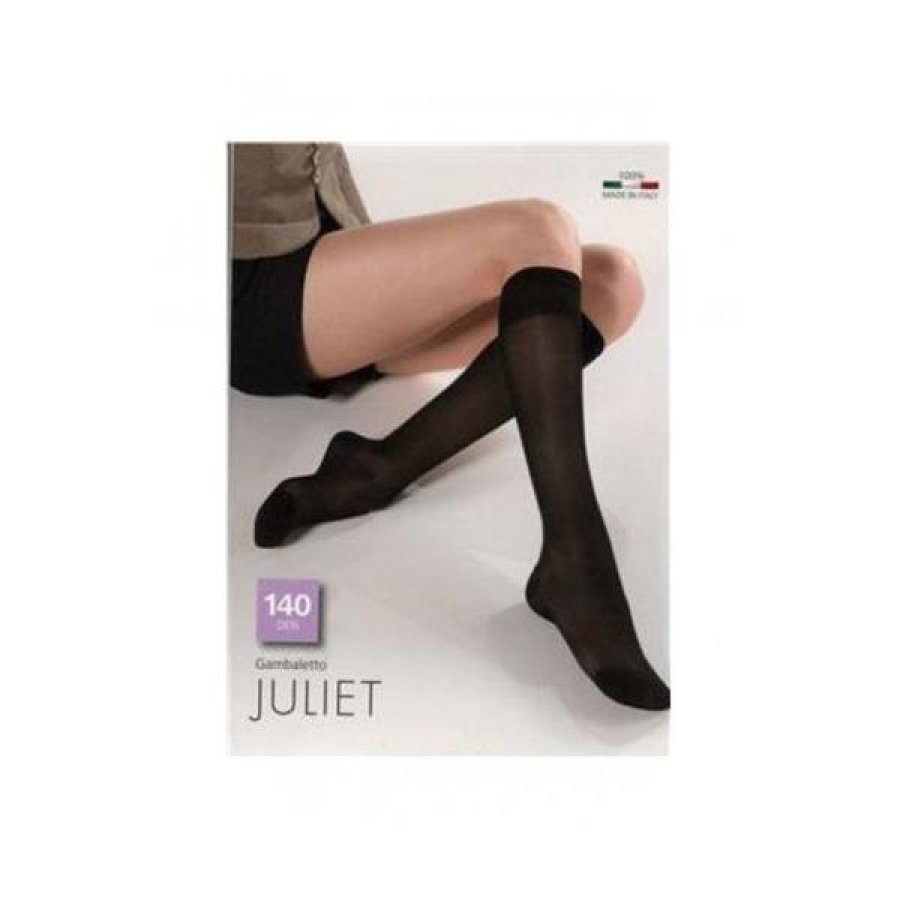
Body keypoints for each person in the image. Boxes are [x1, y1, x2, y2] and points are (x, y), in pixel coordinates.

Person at [230, 142, 670, 711]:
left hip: (332, 260)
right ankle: (577, 563)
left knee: (612, 285)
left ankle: (376, 466)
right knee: (536, 228)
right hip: (257, 293)